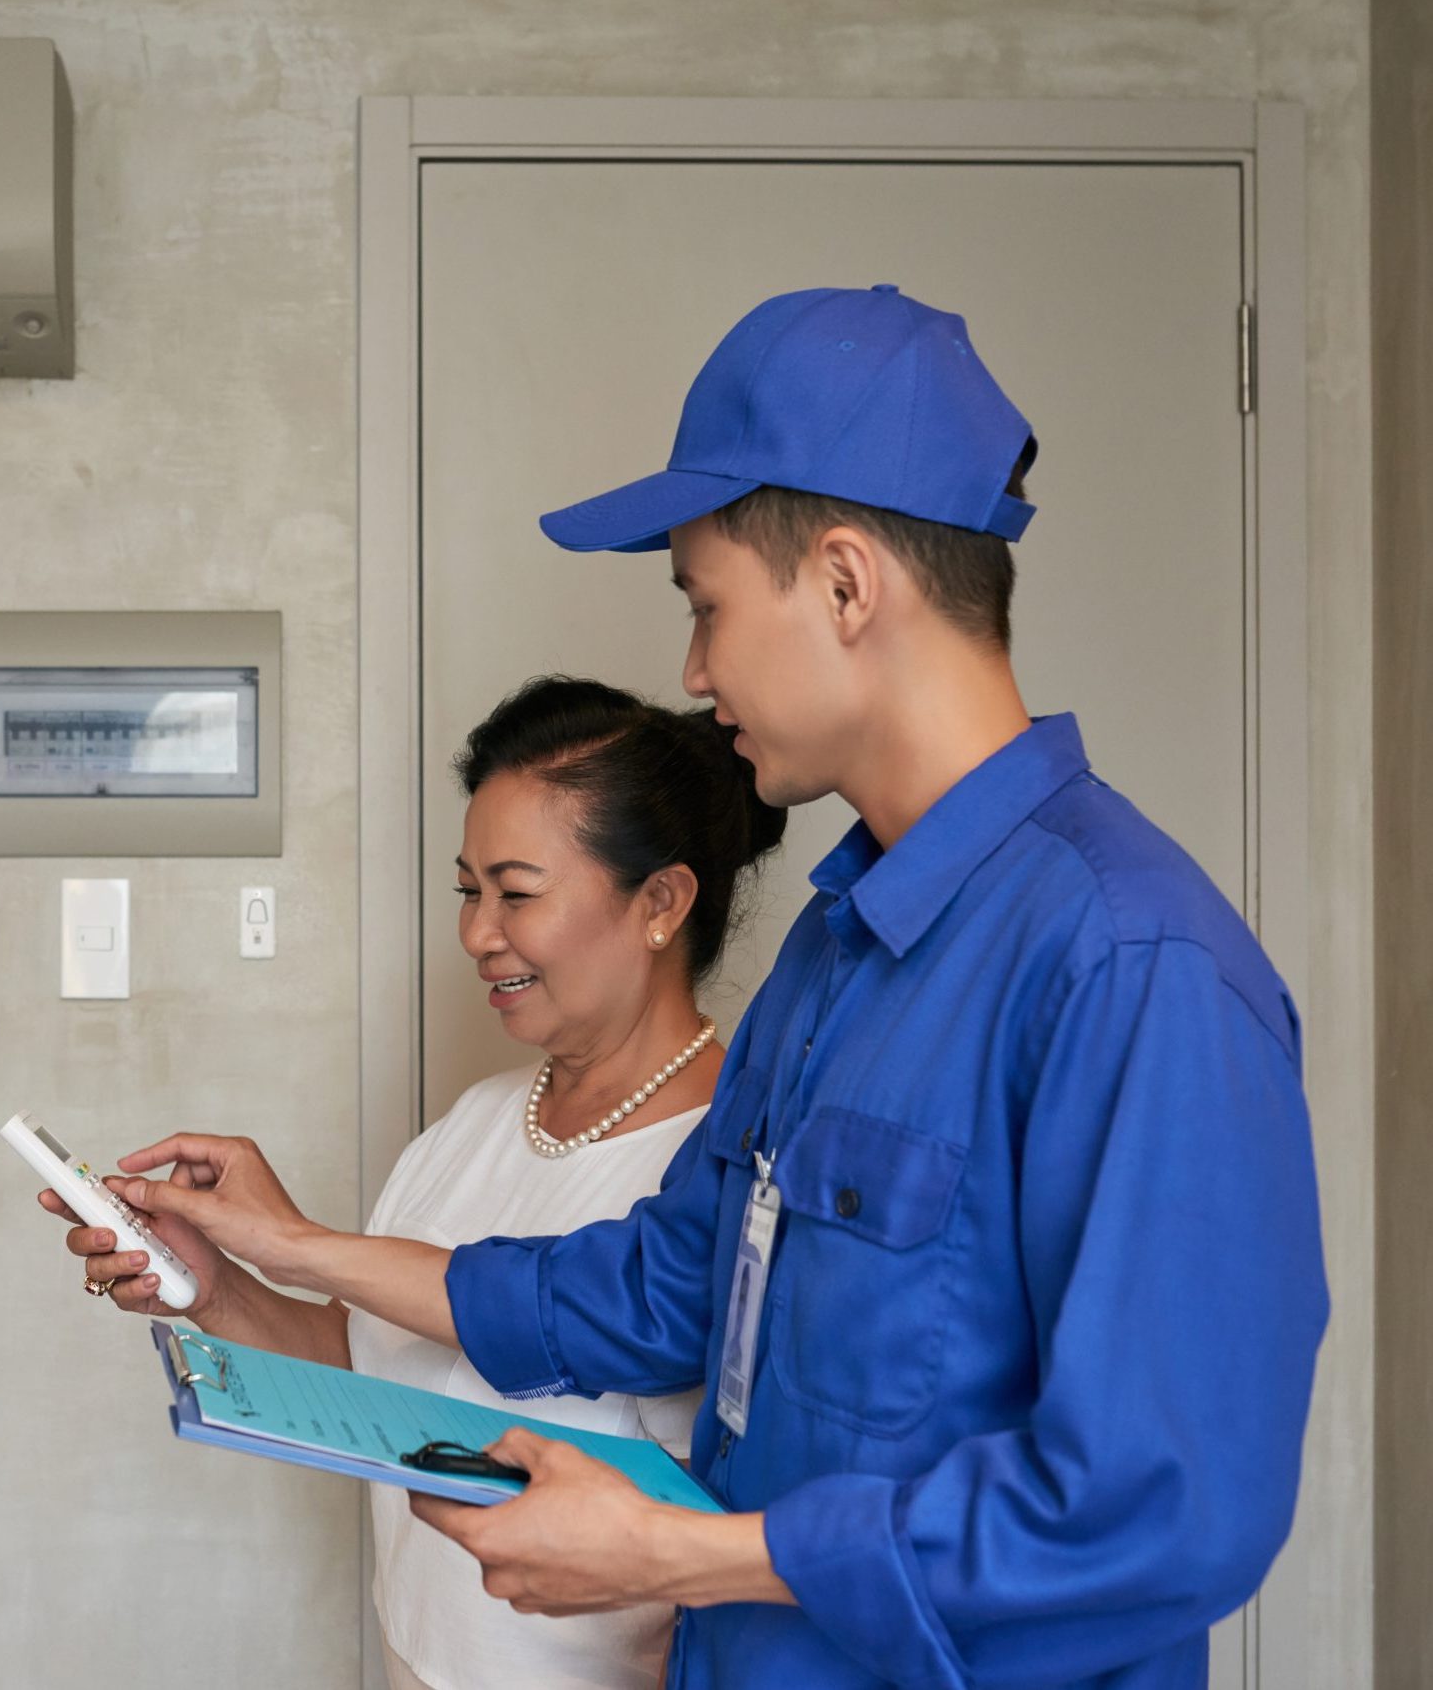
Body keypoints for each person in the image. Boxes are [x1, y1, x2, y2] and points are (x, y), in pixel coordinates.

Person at [96, 286, 1329, 1689]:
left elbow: (1162, 1512)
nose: (691, 668)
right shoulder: (833, 951)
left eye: (707, 606)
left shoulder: (1130, 966)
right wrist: (287, 1246)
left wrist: (683, 1555)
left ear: (847, 583)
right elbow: (660, 1284)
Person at [43, 674, 782, 1690]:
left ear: (658, 901)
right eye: (466, 890)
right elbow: (363, 1369)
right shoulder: (472, 1123)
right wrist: (212, 1282)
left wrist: (291, 1239)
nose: (478, 932)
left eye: (515, 892)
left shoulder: (733, 1166)